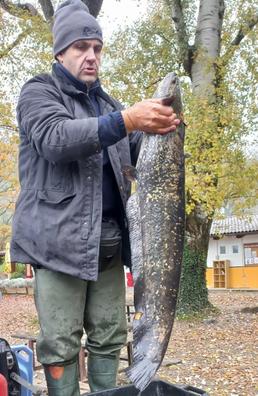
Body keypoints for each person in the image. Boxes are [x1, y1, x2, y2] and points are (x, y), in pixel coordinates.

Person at [10, 0, 180, 394]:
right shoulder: (38, 92)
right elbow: (56, 139)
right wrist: (129, 120)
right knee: (61, 344)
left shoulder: (109, 106)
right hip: (57, 246)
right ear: (60, 51)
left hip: (108, 247)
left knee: (109, 337)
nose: (91, 57)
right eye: (81, 47)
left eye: (97, 48)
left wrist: (161, 127)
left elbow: (138, 148)